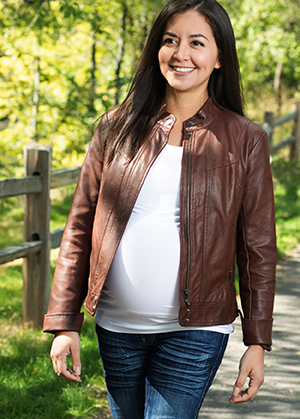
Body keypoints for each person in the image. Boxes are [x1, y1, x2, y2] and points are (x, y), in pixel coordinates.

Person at [43, 0, 277, 417]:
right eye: (170, 40)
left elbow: (257, 247)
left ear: (219, 56)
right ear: (156, 49)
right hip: (117, 327)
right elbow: (79, 226)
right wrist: (64, 322)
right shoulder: (116, 127)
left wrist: (257, 341)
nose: (180, 53)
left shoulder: (245, 139)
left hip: (197, 331)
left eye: (196, 43)